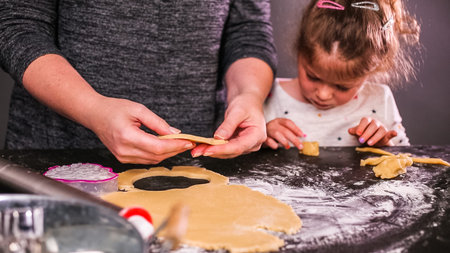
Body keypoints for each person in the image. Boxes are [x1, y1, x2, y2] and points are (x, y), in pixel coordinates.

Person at [0, 0, 276, 164]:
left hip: (197, 165)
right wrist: (94, 109)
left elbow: (247, 31)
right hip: (57, 159)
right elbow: (17, 25)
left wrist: (248, 95)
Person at [263, 0, 420, 149]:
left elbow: (405, 159)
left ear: (372, 70)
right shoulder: (267, 93)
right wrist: (263, 139)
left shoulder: (379, 100)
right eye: (313, 77)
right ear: (299, 52)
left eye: (343, 87)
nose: (323, 95)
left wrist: (384, 146)